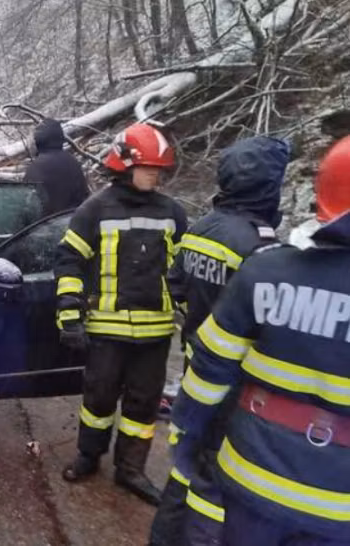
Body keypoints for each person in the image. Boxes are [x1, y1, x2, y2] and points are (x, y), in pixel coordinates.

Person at [170, 136, 350, 546]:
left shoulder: (266, 268)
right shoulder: (255, 246)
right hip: (339, 507)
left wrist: (184, 432)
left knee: (197, 501)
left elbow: (208, 366)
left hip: (250, 475)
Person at [149, 136, 290, 546]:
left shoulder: (201, 228)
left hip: (198, 367)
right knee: (215, 482)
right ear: (267, 186)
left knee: (184, 461)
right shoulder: (260, 248)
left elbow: (175, 284)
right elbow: (270, 327)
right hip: (236, 384)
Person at [56, 122, 187, 506]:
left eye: (159, 169)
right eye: (149, 167)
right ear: (125, 164)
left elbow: (184, 272)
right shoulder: (94, 209)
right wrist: (69, 316)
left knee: (142, 407)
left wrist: (193, 319)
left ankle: (131, 469)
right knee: (98, 399)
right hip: (107, 331)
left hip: (156, 333)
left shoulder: (173, 213)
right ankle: (89, 455)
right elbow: (69, 263)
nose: (155, 175)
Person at [23, 118, 90, 216]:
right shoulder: (73, 162)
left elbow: (28, 206)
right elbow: (84, 196)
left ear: (38, 140)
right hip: (76, 222)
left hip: (48, 227)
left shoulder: (36, 168)